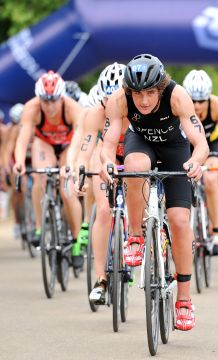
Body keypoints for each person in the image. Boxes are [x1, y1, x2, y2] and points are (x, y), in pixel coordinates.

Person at [99, 54, 208, 331]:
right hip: (141, 143)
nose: (144, 101)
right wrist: (108, 164)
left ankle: (184, 299)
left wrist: (196, 162)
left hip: (175, 151)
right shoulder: (119, 100)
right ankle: (135, 234)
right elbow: (109, 145)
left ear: (160, 88)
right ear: (129, 92)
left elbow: (200, 143)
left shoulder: (177, 96)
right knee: (135, 166)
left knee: (180, 221)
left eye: (150, 93)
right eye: (138, 94)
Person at [67, 62, 128, 304]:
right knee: (103, 211)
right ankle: (101, 279)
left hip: (133, 158)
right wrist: (80, 173)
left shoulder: (138, 112)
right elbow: (85, 150)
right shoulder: (95, 115)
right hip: (106, 159)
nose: (109, 106)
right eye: (105, 100)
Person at [13, 70, 84, 248]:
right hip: (44, 143)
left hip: (69, 145)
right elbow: (22, 140)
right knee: (40, 176)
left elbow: (81, 138)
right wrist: (19, 162)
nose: (49, 106)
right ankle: (39, 227)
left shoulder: (72, 108)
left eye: (53, 100)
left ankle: (77, 239)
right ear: (39, 99)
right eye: (45, 101)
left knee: (67, 189)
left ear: (61, 97)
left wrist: (72, 165)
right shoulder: (31, 108)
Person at [182, 69, 218, 255]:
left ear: (208, 98)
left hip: (211, 144)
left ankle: (217, 230)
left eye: (201, 101)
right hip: (187, 145)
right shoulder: (178, 102)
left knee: (212, 179)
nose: (196, 106)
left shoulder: (217, 105)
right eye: (193, 100)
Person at [4, 103, 26, 239]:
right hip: (18, 159)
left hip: (32, 157)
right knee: (18, 189)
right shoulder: (12, 130)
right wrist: (6, 164)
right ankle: (18, 221)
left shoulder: (35, 124)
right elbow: (8, 149)